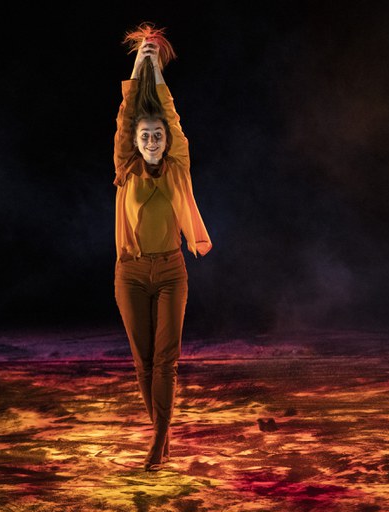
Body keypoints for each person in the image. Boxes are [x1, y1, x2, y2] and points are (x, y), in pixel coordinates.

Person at [113, 23, 212, 472]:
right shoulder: (125, 167)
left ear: (166, 140)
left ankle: (157, 440)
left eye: (157, 135)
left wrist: (158, 74)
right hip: (131, 274)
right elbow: (126, 115)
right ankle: (163, 431)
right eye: (145, 136)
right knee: (144, 361)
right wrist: (140, 65)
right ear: (136, 143)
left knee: (166, 361)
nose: (152, 140)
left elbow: (169, 115)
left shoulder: (178, 166)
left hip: (172, 272)